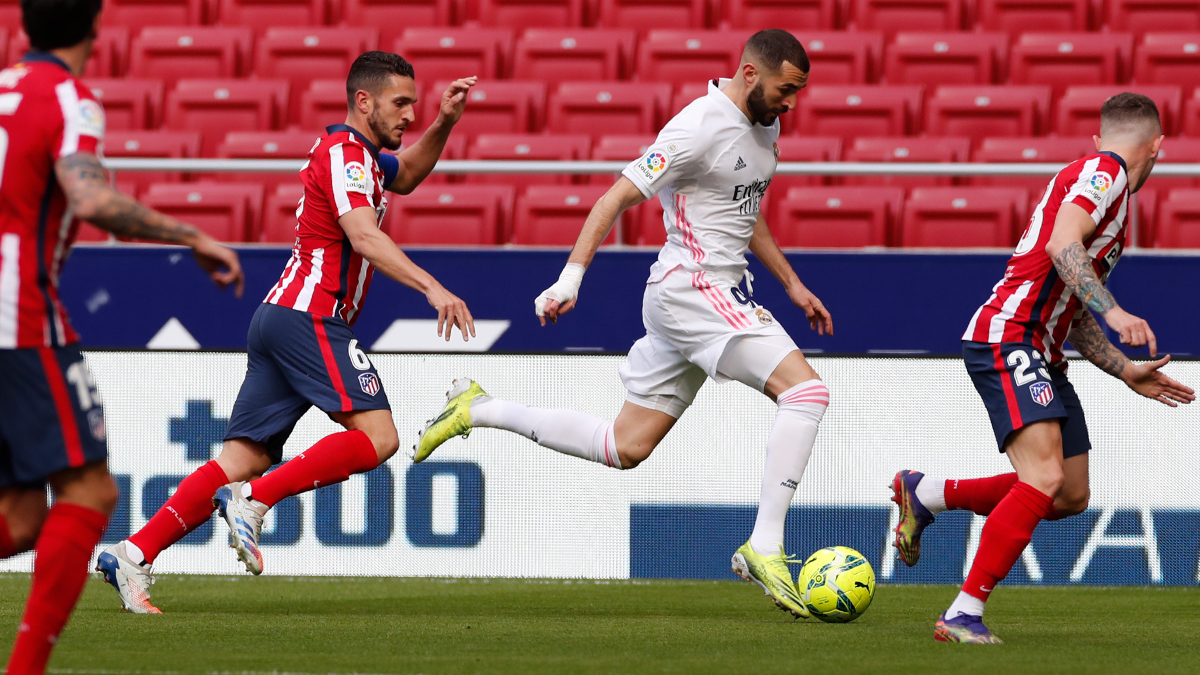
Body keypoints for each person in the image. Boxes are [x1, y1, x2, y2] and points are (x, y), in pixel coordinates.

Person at [414, 29, 831, 619]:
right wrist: (570, 279)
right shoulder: (697, 126)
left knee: (624, 446)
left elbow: (745, 206)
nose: (791, 103)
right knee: (808, 393)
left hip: (706, 295)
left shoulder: (766, 127)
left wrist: (792, 284)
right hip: (693, 288)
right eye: (786, 89)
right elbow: (614, 197)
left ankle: (478, 409)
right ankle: (764, 546)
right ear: (748, 73)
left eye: (797, 93)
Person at [97, 51, 477, 612]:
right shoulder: (347, 155)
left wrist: (445, 120)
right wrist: (432, 288)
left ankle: (130, 555)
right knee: (379, 438)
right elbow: (365, 237)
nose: (410, 116)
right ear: (363, 101)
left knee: (240, 459)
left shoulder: (365, 158)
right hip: (311, 314)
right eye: (401, 104)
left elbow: (411, 175)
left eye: (414, 105)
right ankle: (254, 502)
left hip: (281, 316)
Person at [889, 93, 1195, 644]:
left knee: (1069, 493)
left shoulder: (1107, 188)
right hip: (1009, 336)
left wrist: (1125, 369)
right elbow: (1061, 246)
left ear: (1100, 136)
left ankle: (927, 492)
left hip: (1044, 351)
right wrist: (1117, 309)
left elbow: (1071, 307)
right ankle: (963, 612)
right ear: (1158, 147)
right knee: (1044, 476)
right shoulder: (1106, 174)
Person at [1, 0, 244, 669]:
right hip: (19, 321)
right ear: (96, 27)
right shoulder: (70, 98)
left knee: (21, 518)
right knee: (92, 493)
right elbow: (91, 199)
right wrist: (192, 233)